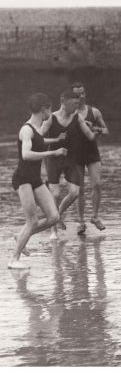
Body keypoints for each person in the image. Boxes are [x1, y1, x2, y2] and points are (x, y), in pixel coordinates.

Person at [8, 93, 68, 269]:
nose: (51, 111)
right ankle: (14, 260)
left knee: (54, 217)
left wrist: (56, 140)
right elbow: (26, 154)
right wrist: (52, 153)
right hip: (23, 179)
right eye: (50, 108)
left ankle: (21, 237)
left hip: (34, 178)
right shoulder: (26, 129)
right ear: (44, 109)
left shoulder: (38, 128)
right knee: (32, 221)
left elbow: (39, 140)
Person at [42, 89, 99, 240]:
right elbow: (39, 138)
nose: (76, 107)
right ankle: (53, 231)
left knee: (74, 192)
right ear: (63, 102)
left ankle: (57, 215)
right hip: (53, 158)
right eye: (74, 104)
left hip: (71, 158)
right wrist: (53, 141)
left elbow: (90, 136)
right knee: (55, 193)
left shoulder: (77, 117)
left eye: (78, 104)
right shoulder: (51, 118)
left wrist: (95, 130)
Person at [70, 81, 109, 235]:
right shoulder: (69, 114)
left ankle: (95, 216)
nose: (80, 97)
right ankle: (81, 222)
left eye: (82, 93)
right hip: (76, 155)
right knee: (80, 190)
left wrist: (94, 128)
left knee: (97, 184)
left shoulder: (95, 112)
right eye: (77, 94)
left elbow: (106, 131)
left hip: (92, 153)